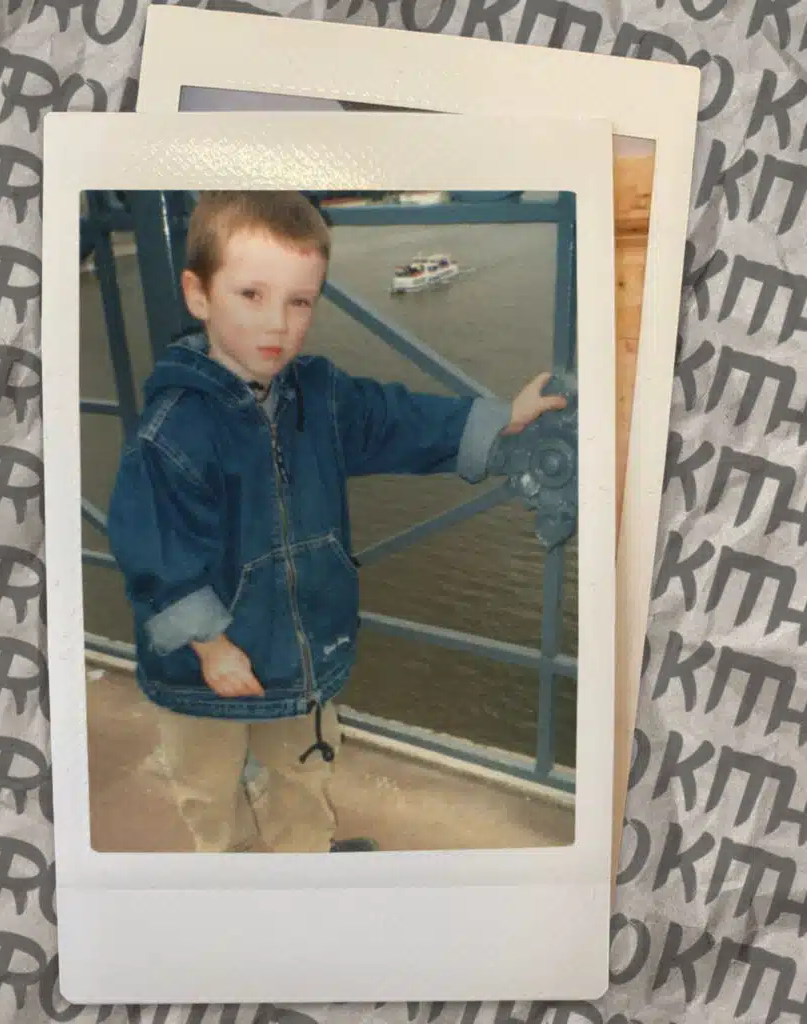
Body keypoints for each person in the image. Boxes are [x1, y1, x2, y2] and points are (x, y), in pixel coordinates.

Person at [106, 191, 568, 854]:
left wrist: (497, 421)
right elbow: (153, 550)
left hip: (298, 657)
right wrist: (208, 645)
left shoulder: (317, 393)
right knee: (210, 790)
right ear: (197, 295)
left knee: (303, 774)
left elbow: (394, 420)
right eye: (251, 294)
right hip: (203, 674)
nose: (278, 324)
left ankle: (307, 864)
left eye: (300, 301)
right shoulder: (171, 431)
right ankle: (231, 883)